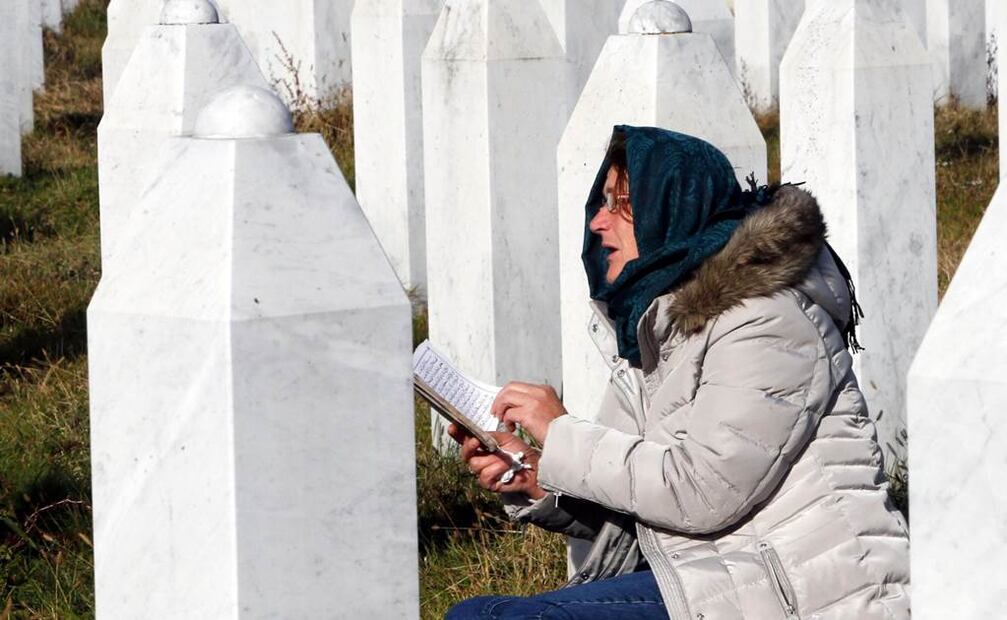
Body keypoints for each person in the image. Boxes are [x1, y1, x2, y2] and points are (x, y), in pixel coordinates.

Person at [445, 126, 910, 620]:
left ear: (672, 208)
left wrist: (560, 432)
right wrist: (536, 476)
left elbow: (703, 491)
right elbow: (638, 505)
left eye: (620, 203)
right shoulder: (655, 330)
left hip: (804, 595)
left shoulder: (766, 318)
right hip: (716, 580)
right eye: (601, 203)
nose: (599, 222)